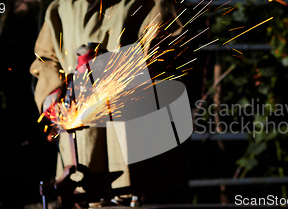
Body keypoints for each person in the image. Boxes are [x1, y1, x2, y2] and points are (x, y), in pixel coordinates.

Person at [29, 0, 187, 203]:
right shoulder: (61, 8)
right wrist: (54, 99)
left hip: (140, 162)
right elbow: (44, 60)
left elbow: (170, 61)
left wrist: (111, 68)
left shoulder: (154, 3)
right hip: (77, 163)